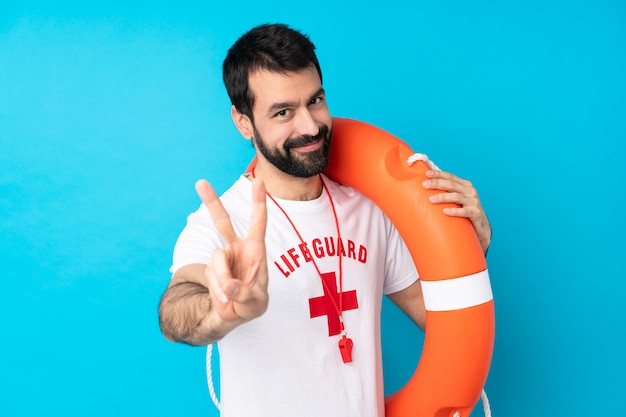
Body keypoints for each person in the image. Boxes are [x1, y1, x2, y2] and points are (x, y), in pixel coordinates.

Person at [158, 23, 492, 417]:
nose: (310, 126)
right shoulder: (223, 223)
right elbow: (176, 312)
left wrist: (468, 249)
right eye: (283, 112)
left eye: (314, 101)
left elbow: (439, 319)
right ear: (243, 121)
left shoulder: (369, 211)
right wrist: (220, 311)